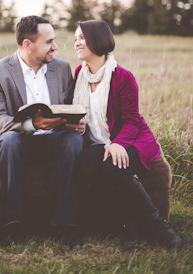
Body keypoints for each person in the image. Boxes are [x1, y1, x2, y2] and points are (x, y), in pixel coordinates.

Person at [0, 16, 85, 245]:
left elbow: (68, 107)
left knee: (73, 141)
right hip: (19, 141)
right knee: (7, 140)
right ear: (28, 44)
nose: (55, 46)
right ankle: (12, 222)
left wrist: (73, 122)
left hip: (54, 139)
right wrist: (33, 125)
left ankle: (64, 222)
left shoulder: (62, 68)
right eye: (49, 42)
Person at [73, 20, 181, 248]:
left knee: (114, 165)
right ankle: (125, 224)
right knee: (84, 162)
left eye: (82, 37)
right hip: (98, 143)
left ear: (97, 39)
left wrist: (118, 143)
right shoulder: (79, 75)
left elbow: (132, 120)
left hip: (132, 139)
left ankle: (157, 226)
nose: (77, 43)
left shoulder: (122, 76)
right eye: (76, 38)